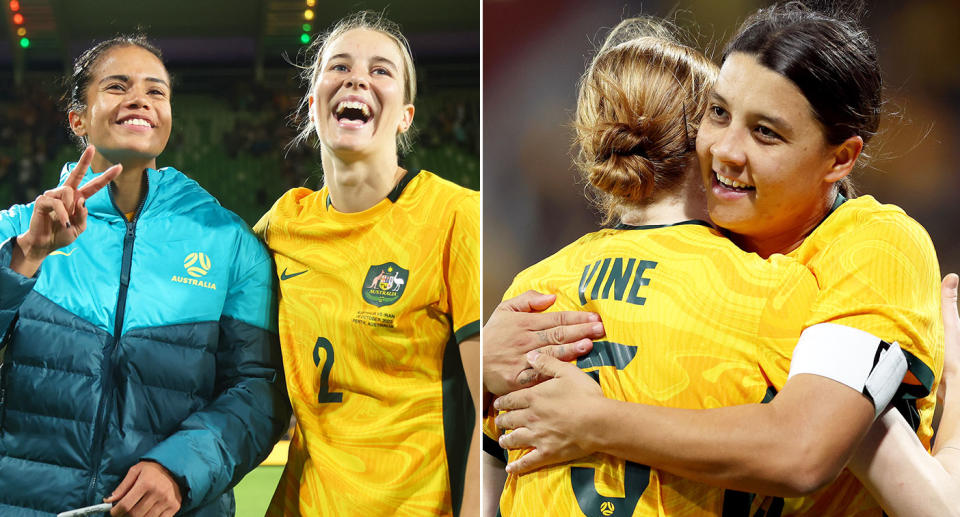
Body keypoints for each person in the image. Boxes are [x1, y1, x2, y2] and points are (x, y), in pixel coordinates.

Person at [487, 4, 952, 516]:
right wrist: (483, 364)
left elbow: (803, 451)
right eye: (718, 113)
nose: (724, 151)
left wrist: (597, 420)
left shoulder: (873, 246)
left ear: (840, 158)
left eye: (766, 132)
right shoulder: (700, 251)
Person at [0, 36, 290, 516]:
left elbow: (260, 389)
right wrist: (27, 257)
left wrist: (180, 470)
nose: (140, 99)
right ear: (78, 118)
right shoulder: (16, 231)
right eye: (117, 86)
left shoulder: (229, 242)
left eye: (157, 92)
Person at [254, 12, 481, 517]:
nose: (357, 78)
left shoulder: (457, 216)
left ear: (405, 115)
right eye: (339, 67)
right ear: (312, 105)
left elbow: (491, 410)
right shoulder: (282, 226)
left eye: (381, 71)